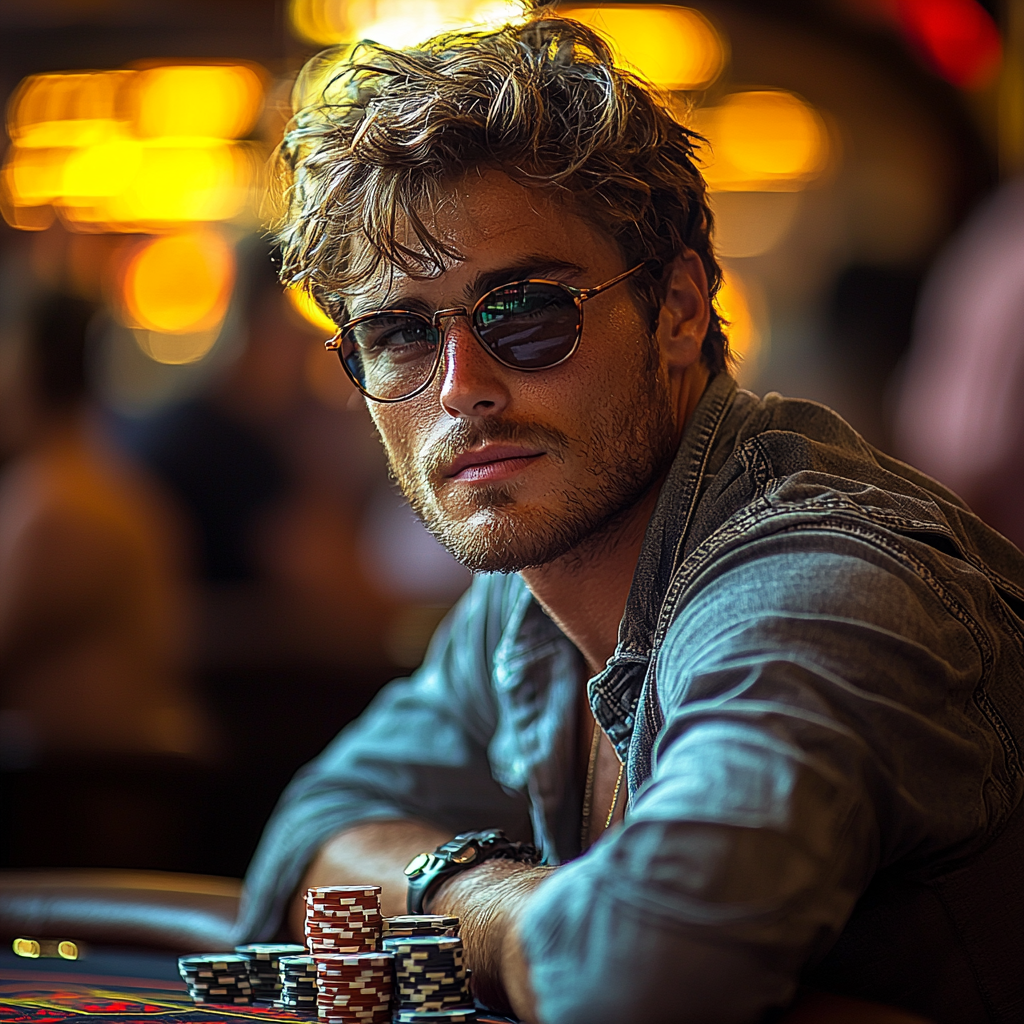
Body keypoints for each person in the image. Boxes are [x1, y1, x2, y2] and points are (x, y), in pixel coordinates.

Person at [238, 14, 1024, 1024]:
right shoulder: (524, 591)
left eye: (524, 311)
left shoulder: (818, 591)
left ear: (680, 310)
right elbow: (308, 837)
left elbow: (630, 978)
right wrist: (491, 900)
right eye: (397, 332)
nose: (459, 389)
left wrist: (466, 915)